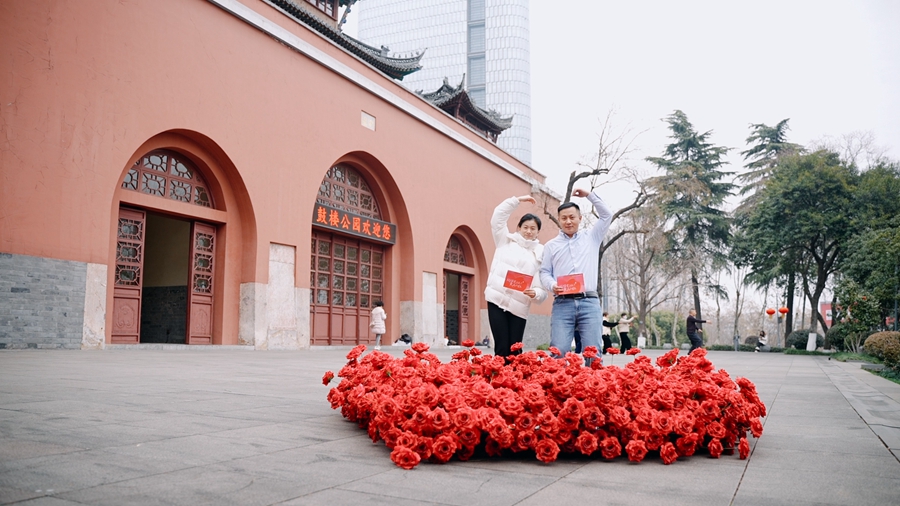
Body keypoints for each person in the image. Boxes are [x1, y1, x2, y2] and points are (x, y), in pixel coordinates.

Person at [539, 188, 613, 365]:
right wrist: (552, 285)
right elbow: (544, 272)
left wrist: (589, 195)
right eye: (564, 218)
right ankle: (559, 389)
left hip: (589, 302)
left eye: (572, 217)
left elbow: (607, 215)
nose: (568, 221)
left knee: (593, 352)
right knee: (558, 351)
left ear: (580, 218)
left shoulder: (592, 237)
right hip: (562, 303)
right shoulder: (551, 246)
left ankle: (594, 389)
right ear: (559, 220)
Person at [484, 195, 548, 357]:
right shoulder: (504, 241)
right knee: (501, 347)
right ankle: (498, 380)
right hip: (496, 300)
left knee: (515, 349)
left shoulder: (539, 254)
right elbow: (498, 216)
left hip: (519, 307)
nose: (528, 231)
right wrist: (517, 200)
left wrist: (536, 294)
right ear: (518, 227)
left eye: (533, 228)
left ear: (537, 232)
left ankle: (515, 380)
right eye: (525, 227)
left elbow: (541, 287)